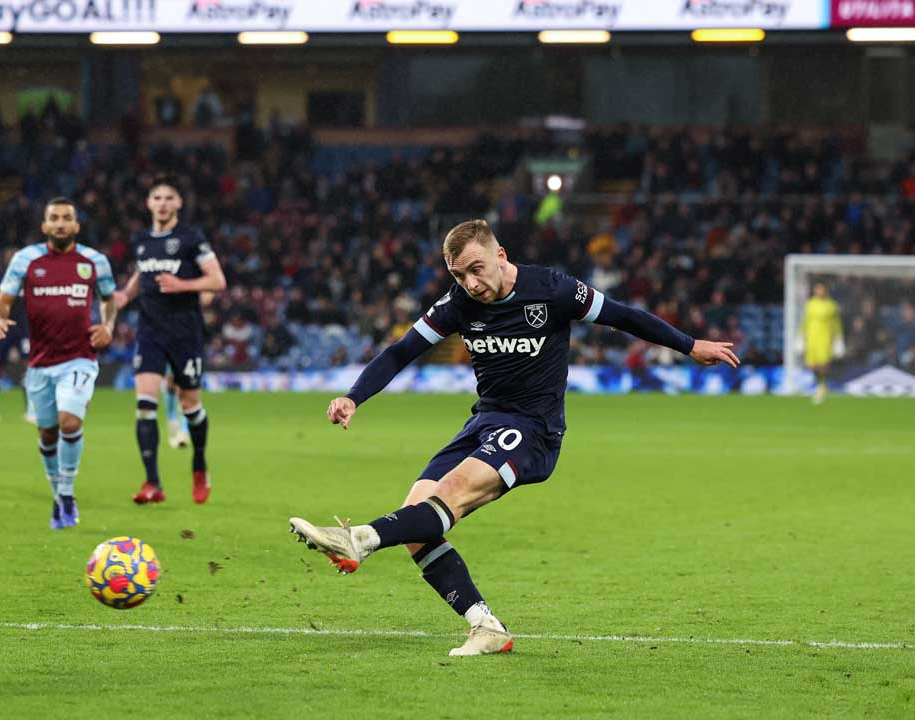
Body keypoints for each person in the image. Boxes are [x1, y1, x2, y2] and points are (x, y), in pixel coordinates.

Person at [289, 219, 738, 657]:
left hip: (534, 430)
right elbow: (401, 351)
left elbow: (622, 316)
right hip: (484, 423)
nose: (470, 282)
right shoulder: (458, 304)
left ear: (500, 256)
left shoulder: (553, 290)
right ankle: (485, 626)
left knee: (449, 496)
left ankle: (360, 540)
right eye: (458, 275)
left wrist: (689, 344)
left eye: (476, 268)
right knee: (416, 520)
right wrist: (354, 397)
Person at [0, 198, 117, 529]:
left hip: (80, 358)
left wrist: (108, 327)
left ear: (76, 225)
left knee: (69, 423)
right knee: (47, 433)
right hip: (40, 364)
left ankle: (68, 493)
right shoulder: (26, 260)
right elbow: (2, 303)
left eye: (67, 218)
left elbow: (109, 300)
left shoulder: (94, 261)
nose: (60, 223)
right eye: (54, 218)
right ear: (44, 226)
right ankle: (58, 496)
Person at [114, 175, 227, 505]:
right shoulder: (142, 240)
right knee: (145, 404)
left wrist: (182, 285)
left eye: (168, 198)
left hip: (185, 332)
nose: (162, 203)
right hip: (149, 331)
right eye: (157, 198)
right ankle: (152, 483)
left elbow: (217, 280)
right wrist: (125, 295)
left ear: (178, 203)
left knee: (190, 406)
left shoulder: (191, 238)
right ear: (149, 204)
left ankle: (199, 465)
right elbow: (142, 272)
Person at [0, 247, 32, 423]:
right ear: (3, 259)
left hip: (23, 327)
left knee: (28, 367)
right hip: (3, 327)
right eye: (8, 256)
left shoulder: (28, 278)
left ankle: (29, 409)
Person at [800, 282, 843, 404]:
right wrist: (801, 336)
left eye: (820, 289)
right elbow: (806, 321)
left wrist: (838, 339)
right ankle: (820, 385)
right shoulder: (810, 304)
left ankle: (822, 386)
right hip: (811, 337)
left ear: (825, 290)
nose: (818, 291)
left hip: (825, 338)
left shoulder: (831, 305)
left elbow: (836, 323)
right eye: (816, 289)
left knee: (823, 364)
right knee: (812, 365)